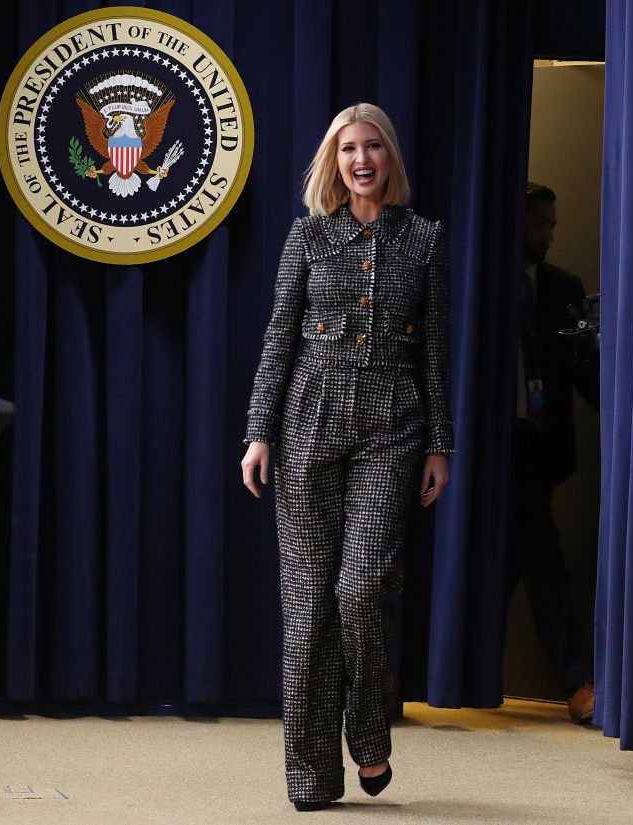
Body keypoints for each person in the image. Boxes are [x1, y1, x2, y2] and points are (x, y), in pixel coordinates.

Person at [241, 102, 453, 812]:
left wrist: (439, 444)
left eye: (372, 148)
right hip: (309, 421)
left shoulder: (425, 239)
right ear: (333, 163)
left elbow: (436, 353)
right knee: (306, 611)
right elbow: (279, 339)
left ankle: (368, 730)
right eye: (347, 150)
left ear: (390, 157)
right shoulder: (306, 238)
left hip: (393, 428)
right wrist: (258, 431)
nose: (360, 160)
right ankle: (311, 776)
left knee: (359, 589)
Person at [507, 182, 598, 722]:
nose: (549, 234)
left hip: (538, 448)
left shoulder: (564, 287)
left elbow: (584, 369)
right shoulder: (485, 279)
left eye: (552, 225)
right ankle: (576, 680)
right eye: (539, 223)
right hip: (487, 451)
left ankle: (575, 679)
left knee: (525, 560)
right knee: (538, 564)